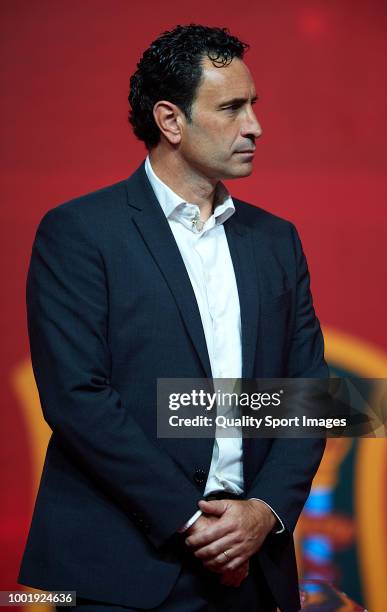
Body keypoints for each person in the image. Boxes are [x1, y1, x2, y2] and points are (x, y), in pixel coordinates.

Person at [18, 24, 328, 612]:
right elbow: (77, 398)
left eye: (253, 106)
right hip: (119, 570)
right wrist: (194, 524)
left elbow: (307, 396)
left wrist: (263, 512)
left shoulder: (277, 242)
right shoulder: (81, 232)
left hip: (254, 568)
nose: (254, 126)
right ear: (170, 120)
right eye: (232, 108)